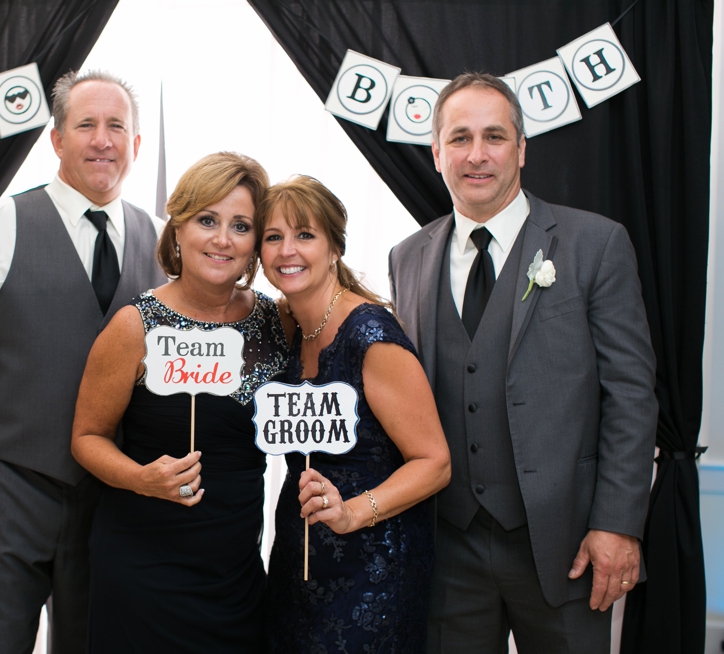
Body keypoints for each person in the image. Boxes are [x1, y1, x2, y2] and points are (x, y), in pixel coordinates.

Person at [0, 69, 164, 653]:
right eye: (85, 124)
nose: (102, 139)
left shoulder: (164, 241)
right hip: (4, 493)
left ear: (136, 145)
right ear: (57, 140)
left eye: (117, 126)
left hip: (114, 503)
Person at [388, 72, 658, 654]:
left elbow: (632, 395)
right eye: (459, 138)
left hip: (566, 546)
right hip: (446, 546)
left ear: (522, 149)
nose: (477, 155)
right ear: (436, 153)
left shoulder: (594, 244)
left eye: (495, 136)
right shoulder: (407, 257)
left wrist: (617, 523)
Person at [71, 151, 287, 652]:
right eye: (207, 220)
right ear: (178, 229)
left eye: (241, 226)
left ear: (256, 243)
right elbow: (86, 438)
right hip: (144, 570)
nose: (222, 239)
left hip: (235, 573)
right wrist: (141, 478)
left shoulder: (277, 321)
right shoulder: (134, 325)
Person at [259, 175, 451, 653]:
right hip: (298, 555)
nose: (288, 250)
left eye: (305, 235)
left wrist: (352, 513)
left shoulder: (371, 336)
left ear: (334, 247)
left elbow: (435, 463)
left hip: (373, 565)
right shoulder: (287, 325)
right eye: (273, 237)